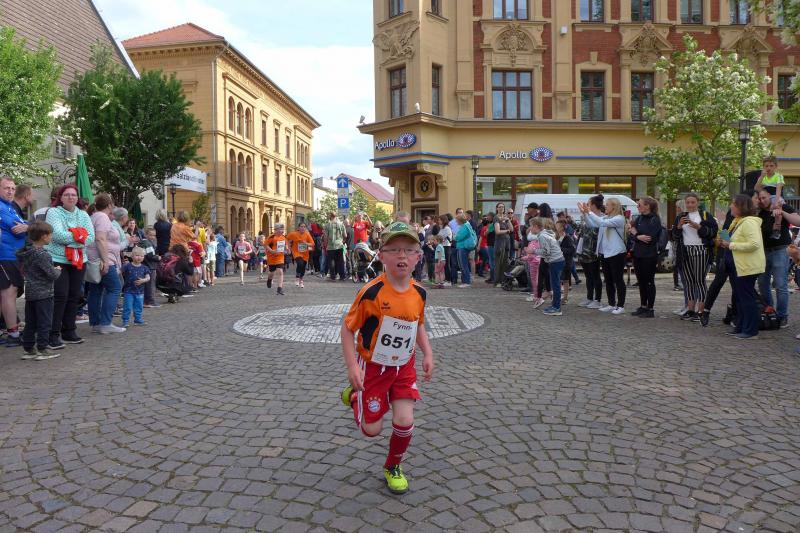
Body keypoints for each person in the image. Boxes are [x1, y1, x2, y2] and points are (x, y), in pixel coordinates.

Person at [339, 221, 435, 495]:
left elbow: (417, 324)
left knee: (404, 421)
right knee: (371, 430)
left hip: (404, 366)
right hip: (373, 367)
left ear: (418, 256)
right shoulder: (371, 292)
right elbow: (347, 329)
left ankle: (393, 466)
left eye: (409, 250)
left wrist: (428, 352)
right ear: (381, 256)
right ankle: (355, 396)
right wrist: (352, 367)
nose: (402, 256)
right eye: (394, 250)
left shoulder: (420, 292)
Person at [45, 184, 95, 348]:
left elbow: (90, 237)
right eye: (67, 195)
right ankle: (53, 334)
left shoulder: (83, 214)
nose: (70, 197)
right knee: (60, 296)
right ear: (60, 197)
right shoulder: (54, 212)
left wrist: (73, 236)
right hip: (58, 259)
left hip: (79, 260)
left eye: (73, 195)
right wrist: (79, 235)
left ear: (77, 198)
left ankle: (69, 331)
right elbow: (57, 235)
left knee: (74, 296)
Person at [717, 194, 765, 339]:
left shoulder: (749, 222)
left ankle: (750, 331)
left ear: (741, 207)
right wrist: (725, 241)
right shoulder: (738, 221)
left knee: (746, 298)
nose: (730, 206)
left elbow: (754, 244)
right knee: (740, 298)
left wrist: (730, 244)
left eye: (733, 204)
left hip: (747, 267)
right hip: (738, 266)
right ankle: (741, 327)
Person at [755, 189, 800, 329]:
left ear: (771, 196)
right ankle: (769, 311)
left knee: (780, 284)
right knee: (762, 283)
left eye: (764, 197)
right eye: (759, 198)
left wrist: (781, 212)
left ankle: (782, 316)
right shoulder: (759, 211)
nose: (762, 200)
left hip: (780, 249)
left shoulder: (783, 206)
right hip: (763, 251)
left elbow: (798, 221)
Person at [17, 221, 62, 360]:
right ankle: (43, 348)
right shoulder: (42, 254)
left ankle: (29, 348)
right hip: (44, 293)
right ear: (43, 236)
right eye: (50, 235)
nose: (51, 237)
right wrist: (57, 270)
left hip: (30, 292)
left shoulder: (26, 252)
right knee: (44, 322)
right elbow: (52, 275)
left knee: (30, 322)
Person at [672, 193, 718, 322]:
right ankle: (691, 310)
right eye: (688, 202)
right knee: (689, 281)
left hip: (701, 250)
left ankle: (701, 312)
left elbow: (713, 232)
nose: (690, 205)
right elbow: (675, 236)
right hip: (685, 251)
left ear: (698, 203)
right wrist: (679, 226)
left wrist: (698, 226)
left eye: (693, 202)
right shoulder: (681, 216)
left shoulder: (705, 215)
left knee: (699, 281)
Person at [579, 196, 627, 315]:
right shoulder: (606, 217)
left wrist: (589, 212)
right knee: (609, 280)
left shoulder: (619, 218)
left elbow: (600, 222)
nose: (605, 206)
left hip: (617, 253)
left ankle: (620, 305)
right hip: (605, 253)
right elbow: (592, 224)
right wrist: (585, 213)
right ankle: (611, 304)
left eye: (608, 204)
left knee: (618, 280)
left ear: (614, 207)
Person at [86, 194, 125, 335]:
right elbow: (100, 239)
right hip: (104, 259)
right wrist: (106, 261)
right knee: (115, 288)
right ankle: (106, 323)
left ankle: (96, 323)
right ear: (109, 205)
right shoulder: (102, 217)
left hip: (95, 259)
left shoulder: (93, 216)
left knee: (96, 290)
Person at [0, 177, 28, 347]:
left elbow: (23, 226)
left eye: (12, 188)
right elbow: (18, 229)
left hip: (12, 256)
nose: (10, 191)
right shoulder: (2, 207)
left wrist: (27, 226)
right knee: (9, 294)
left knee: (5, 295)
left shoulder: (10, 207)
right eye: (6, 188)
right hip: (6, 256)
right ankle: (13, 334)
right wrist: (28, 227)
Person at [629, 196, 662, 318]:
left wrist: (636, 234)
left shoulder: (655, 219)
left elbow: (649, 238)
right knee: (641, 281)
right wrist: (638, 236)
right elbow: (631, 233)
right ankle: (643, 306)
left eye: (639, 205)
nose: (638, 207)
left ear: (647, 206)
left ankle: (650, 308)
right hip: (638, 253)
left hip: (649, 255)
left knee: (648, 281)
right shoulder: (639, 218)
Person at [530, 218, 565, 316]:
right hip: (557, 260)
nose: (530, 228)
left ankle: (557, 308)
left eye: (531, 226)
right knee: (555, 285)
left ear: (536, 226)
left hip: (555, 261)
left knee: (556, 286)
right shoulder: (545, 233)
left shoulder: (542, 236)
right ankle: (555, 305)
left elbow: (546, 251)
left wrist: (533, 251)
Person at [576, 195, 603, 309]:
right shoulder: (585, 216)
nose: (586, 206)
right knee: (588, 276)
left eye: (588, 204)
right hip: (584, 250)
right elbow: (582, 232)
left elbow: (593, 229)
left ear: (594, 205)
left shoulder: (602, 218)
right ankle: (589, 297)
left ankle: (598, 299)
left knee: (595, 275)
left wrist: (586, 214)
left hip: (593, 251)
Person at [120, 247, 149, 327]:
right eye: (137, 255)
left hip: (140, 291)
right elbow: (119, 272)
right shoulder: (127, 266)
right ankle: (125, 321)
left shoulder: (144, 267)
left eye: (142, 256)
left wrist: (143, 280)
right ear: (132, 256)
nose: (139, 257)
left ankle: (138, 319)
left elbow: (148, 277)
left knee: (139, 307)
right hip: (128, 291)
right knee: (127, 307)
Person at [287, 222, 315, 288]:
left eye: (304, 227)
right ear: (298, 227)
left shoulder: (307, 234)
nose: (303, 228)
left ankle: (301, 280)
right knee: (300, 264)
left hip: (305, 253)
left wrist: (306, 243)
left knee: (303, 267)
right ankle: (297, 278)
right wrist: (288, 247)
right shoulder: (293, 234)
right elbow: (286, 239)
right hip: (296, 252)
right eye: (301, 226)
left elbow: (312, 244)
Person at [140, 227, 161, 308]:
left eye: (154, 235)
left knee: (146, 285)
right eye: (151, 235)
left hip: (145, 265)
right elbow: (150, 256)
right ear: (146, 235)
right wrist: (158, 258)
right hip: (150, 266)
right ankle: (151, 301)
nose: (153, 237)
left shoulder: (141, 242)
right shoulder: (147, 243)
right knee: (151, 285)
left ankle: (145, 301)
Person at [493, 204, 513, 287]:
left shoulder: (505, 217)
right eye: (500, 207)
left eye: (503, 207)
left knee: (505, 262)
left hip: (507, 242)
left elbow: (512, 229)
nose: (501, 208)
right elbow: (497, 231)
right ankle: (497, 281)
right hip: (500, 242)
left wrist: (508, 220)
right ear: (497, 208)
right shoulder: (496, 218)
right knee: (499, 262)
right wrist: (507, 231)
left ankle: (503, 281)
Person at [556, 220, 575, 305]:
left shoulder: (567, 238)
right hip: (558, 262)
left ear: (562, 228)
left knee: (565, 280)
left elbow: (572, 250)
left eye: (558, 226)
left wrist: (560, 249)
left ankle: (565, 298)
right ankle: (558, 296)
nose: (556, 227)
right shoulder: (556, 237)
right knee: (558, 280)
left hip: (566, 262)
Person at [265, 224, 288, 294]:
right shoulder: (271, 237)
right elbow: (266, 245)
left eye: (283, 229)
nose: (282, 231)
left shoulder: (283, 237)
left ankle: (279, 288)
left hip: (280, 257)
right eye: (281, 229)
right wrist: (272, 251)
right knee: (271, 272)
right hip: (271, 258)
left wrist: (287, 249)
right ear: (276, 230)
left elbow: (286, 246)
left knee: (280, 271)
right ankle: (269, 279)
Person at [453, 213, 475, 288]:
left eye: (457, 220)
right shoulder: (465, 225)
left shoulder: (465, 226)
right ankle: (464, 281)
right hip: (462, 246)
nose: (456, 221)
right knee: (462, 265)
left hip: (463, 247)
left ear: (460, 220)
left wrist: (455, 236)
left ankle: (466, 282)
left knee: (463, 265)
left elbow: (459, 237)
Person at [324, 212, 347, 281]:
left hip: (330, 246)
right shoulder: (341, 224)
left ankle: (333, 277)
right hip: (339, 245)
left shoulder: (327, 225)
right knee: (340, 261)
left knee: (331, 261)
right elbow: (345, 235)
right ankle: (342, 276)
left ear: (330, 216)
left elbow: (325, 237)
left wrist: (325, 245)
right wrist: (343, 241)